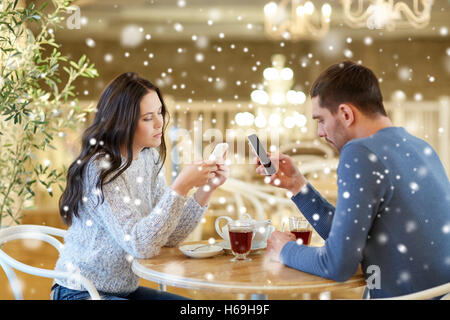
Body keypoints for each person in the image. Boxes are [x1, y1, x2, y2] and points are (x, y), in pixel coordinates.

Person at [260, 61, 450, 299]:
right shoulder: (422, 147)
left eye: (320, 120)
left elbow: (337, 265)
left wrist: (284, 249)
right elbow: (349, 242)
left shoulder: (359, 152)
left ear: (346, 114)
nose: (319, 133)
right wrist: (298, 187)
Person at [51, 72, 229, 300]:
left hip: (124, 292)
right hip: (80, 292)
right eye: (147, 118)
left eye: (159, 113)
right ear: (121, 122)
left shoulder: (149, 159)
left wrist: (207, 188)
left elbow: (170, 236)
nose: (159, 123)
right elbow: (139, 245)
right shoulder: (100, 169)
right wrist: (180, 187)